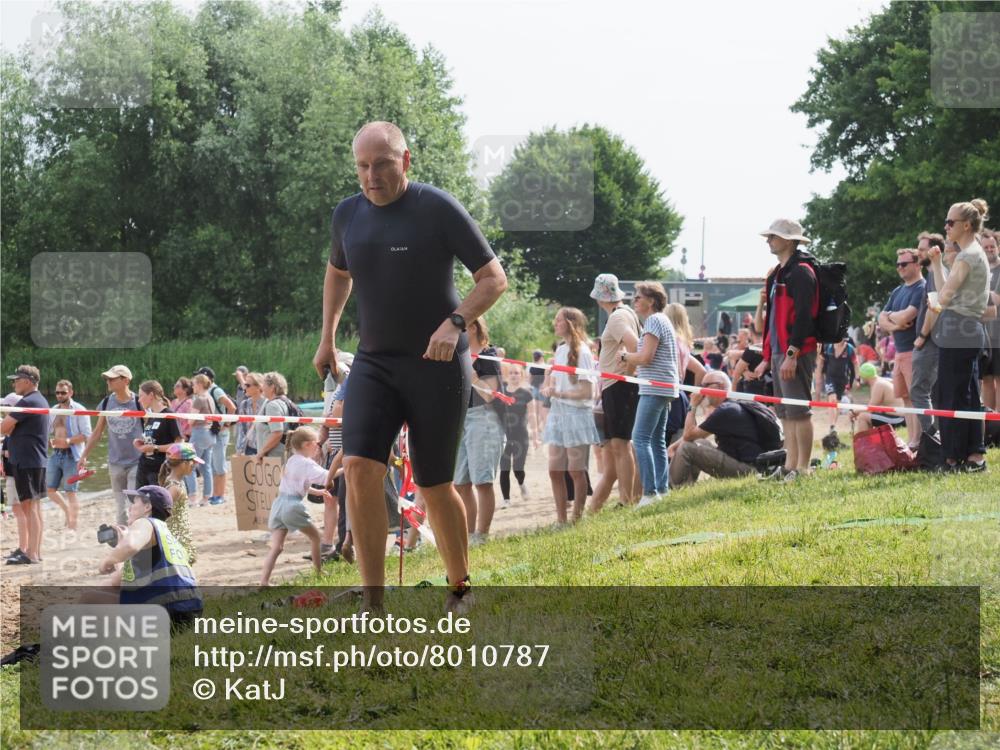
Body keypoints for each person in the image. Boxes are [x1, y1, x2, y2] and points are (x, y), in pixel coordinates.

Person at [312, 120, 506, 612]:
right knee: (357, 467)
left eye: (380, 164)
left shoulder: (435, 208)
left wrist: (456, 322)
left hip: (435, 365)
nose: (370, 175)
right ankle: (373, 603)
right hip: (375, 362)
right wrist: (327, 339)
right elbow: (338, 274)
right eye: (361, 165)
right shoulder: (347, 215)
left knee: (435, 483)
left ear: (406, 160)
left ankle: (460, 587)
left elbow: (492, 278)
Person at [753, 219, 819, 481]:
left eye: (774, 236)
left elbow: (805, 316)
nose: (769, 240)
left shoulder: (802, 272)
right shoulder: (778, 273)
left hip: (796, 351)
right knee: (785, 413)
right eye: (769, 236)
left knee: (799, 411)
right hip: (780, 352)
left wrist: (792, 354)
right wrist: (767, 358)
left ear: (790, 241)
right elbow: (771, 321)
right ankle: (790, 465)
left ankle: (803, 468)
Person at [927, 199, 991, 471]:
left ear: (966, 225)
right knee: (965, 394)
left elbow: (944, 297)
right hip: (966, 328)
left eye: (950, 222)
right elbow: (946, 294)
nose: (946, 226)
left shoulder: (968, 256)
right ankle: (973, 455)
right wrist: (938, 263)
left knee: (952, 395)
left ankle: (952, 457)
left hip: (958, 329)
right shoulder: (971, 253)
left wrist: (937, 303)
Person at [83, 485, 202, 628]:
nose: (130, 508)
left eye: (134, 503)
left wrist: (109, 559)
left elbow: (130, 545)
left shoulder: (145, 522)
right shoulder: (167, 535)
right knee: (109, 588)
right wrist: (122, 545)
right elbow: (118, 580)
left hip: (167, 612)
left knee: (89, 598)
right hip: (190, 612)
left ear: (147, 507)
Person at [622, 282, 679, 507]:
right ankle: (661, 490)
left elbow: (646, 357)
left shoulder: (654, 321)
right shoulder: (662, 321)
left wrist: (626, 357)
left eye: (638, 297)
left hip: (655, 388)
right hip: (664, 387)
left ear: (651, 301)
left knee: (640, 438)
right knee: (656, 440)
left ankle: (649, 493)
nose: (634, 301)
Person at [542, 307, 601, 523]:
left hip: (577, 414)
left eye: (558, 320)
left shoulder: (583, 352)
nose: (554, 323)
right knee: (554, 470)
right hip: (559, 413)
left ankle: (576, 518)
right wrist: (549, 386)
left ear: (569, 323)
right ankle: (561, 520)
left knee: (576, 470)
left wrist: (559, 392)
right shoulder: (560, 350)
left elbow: (587, 392)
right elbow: (556, 381)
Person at [588, 274, 642, 511]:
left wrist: (628, 372)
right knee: (621, 445)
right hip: (618, 385)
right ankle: (628, 497)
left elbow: (633, 345)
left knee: (621, 445)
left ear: (601, 297)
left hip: (619, 385)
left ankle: (626, 500)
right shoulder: (626, 313)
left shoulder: (618, 317)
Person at [259, 427, 336, 586]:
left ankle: (264, 582)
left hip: (279, 505)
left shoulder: (292, 459)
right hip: (292, 506)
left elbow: (299, 484)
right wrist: (346, 469)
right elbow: (327, 476)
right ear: (308, 444)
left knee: (276, 547)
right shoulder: (307, 464)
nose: (318, 447)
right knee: (316, 537)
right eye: (316, 444)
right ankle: (318, 572)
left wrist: (318, 492)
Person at [454, 318, 506, 544]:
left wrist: (470, 371)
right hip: (461, 420)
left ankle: (482, 535)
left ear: (473, 328)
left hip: (484, 417)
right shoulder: (459, 355)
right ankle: (468, 534)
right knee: (460, 483)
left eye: (461, 328)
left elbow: (489, 394)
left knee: (482, 481)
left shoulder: (488, 355)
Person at [668, 372, 767, 487]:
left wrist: (693, 405)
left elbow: (688, 435)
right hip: (752, 465)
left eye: (706, 385)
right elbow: (697, 435)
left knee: (687, 448)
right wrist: (673, 447)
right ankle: (685, 486)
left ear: (719, 386)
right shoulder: (731, 406)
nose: (702, 390)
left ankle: (672, 488)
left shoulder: (725, 411)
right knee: (700, 442)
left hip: (748, 470)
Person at [77, 365, 143, 525]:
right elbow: (97, 432)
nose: (108, 381)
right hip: (115, 463)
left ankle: (136, 539)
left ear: (126, 380)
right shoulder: (106, 402)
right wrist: (84, 455)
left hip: (137, 461)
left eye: (112, 378)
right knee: (120, 508)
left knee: (132, 503)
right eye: (107, 378)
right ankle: (123, 539)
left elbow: (150, 428)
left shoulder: (139, 402)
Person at [877, 248, 926, 447]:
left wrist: (893, 318)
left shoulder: (922, 288)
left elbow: (908, 315)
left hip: (915, 351)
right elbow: (881, 319)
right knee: (906, 399)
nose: (900, 268)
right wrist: (895, 324)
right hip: (899, 352)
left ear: (917, 264)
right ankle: (912, 441)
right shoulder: (897, 291)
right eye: (898, 264)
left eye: (904, 264)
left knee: (917, 399)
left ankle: (919, 442)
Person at [1, 366, 48, 564]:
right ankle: (33, 551)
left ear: (28, 381)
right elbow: (11, 430)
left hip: (28, 461)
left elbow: (3, 427)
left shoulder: (28, 401)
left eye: (16, 380)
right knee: (34, 508)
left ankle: (32, 554)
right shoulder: (38, 400)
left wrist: (8, 426)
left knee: (30, 508)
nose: (14, 383)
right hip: (33, 460)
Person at [912, 232, 947, 436]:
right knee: (930, 392)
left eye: (923, 249)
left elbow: (935, 308)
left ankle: (932, 438)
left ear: (935, 251)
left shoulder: (935, 274)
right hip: (932, 342)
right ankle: (936, 437)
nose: (919, 252)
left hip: (930, 342)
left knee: (919, 390)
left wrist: (922, 337)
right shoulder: (932, 275)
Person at [45, 379, 92, 530]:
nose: (59, 395)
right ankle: (67, 511)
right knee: (49, 489)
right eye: (57, 392)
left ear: (71, 392)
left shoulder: (79, 409)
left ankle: (73, 526)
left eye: (63, 392)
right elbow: (48, 431)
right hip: (56, 454)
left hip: (73, 455)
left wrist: (68, 441)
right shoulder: (54, 410)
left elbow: (86, 435)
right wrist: (48, 441)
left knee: (70, 492)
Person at [193, 367, 237, 505]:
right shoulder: (205, 393)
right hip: (212, 431)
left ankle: (220, 495)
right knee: (211, 464)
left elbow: (232, 407)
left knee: (219, 464)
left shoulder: (216, 390)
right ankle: (214, 495)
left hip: (220, 432)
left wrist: (227, 424)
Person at [157, 442, 202, 564]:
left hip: (177, 536)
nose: (195, 464)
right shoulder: (174, 487)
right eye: (193, 461)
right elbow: (160, 512)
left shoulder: (175, 482)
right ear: (183, 463)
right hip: (176, 539)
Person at [133, 381, 182, 488]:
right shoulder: (151, 415)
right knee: (140, 500)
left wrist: (155, 448)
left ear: (151, 395)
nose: (139, 400)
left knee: (158, 502)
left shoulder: (169, 415)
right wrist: (141, 443)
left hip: (160, 467)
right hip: (144, 465)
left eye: (141, 396)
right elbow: (153, 439)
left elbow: (179, 445)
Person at [499, 364, 532, 509]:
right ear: (507, 375)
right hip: (504, 436)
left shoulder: (526, 394)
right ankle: (506, 499)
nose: (513, 375)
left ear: (521, 375)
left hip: (521, 435)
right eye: (511, 373)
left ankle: (522, 483)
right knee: (504, 468)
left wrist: (535, 433)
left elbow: (532, 415)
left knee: (518, 468)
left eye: (517, 373)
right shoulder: (501, 394)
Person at [815, 340, 859, 429]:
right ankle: (832, 425)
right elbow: (820, 362)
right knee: (832, 399)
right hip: (830, 378)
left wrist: (857, 379)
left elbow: (856, 363)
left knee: (837, 403)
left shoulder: (850, 349)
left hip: (843, 379)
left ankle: (833, 426)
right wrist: (818, 377)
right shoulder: (828, 347)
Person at [852, 362, 905, 432]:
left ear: (864, 376)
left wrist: (853, 412)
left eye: (861, 376)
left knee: (863, 416)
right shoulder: (880, 381)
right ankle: (871, 441)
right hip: (898, 416)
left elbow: (871, 408)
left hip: (898, 418)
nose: (860, 378)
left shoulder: (878, 385)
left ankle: (864, 442)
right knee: (866, 415)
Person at [980, 228, 1000, 411]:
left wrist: (982, 293)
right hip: (984, 335)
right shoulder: (981, 272)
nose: (989, 249)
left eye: (992, 246)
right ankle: (988, 428)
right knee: (986, 380)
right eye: (985, 247)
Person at [189, 374, 217, 505]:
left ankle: (193, 497)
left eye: (194, 384)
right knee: (206, 467)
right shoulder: (210, 397)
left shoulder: (199, 399)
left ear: (199, 385)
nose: (193, 387)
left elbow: (191, 420)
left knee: (189, 465)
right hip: (210, 434)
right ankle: (206, 498)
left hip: (199, 433)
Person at [254, 372, 293, 461]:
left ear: (272, 387)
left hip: (273, 457)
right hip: (286, 454)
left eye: (263, 384)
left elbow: (277, 432)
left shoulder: (272, 405)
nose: (261, 387)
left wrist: (261, 452)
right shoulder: (287, 402)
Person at [170, 378, 196, 498]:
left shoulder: (189, 403)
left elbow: (190, 422)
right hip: (175, 437)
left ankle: (192, 494)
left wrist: (185, 434)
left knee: (186, 465)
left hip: (185, 437)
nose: (175, 388)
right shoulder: (173, 402)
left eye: (178, 386)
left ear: (185, 389)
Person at [235, 372, 265, 457]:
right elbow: (242, 430)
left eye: (247, 385)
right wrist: (239, 449)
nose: (244, 387)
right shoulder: (244, 404)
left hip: (265, 449)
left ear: (259, 387)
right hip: (249, 449)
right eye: (244, 385)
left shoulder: (268, 404)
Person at [528, 349, 548, 448]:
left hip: (535, 388)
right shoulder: (545, 365)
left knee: (536, 413)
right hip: (540, 388)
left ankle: (538, 433)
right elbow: (546, 378)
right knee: (541, 412)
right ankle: (541, 433)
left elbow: (530, 379)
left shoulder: (533, 366)